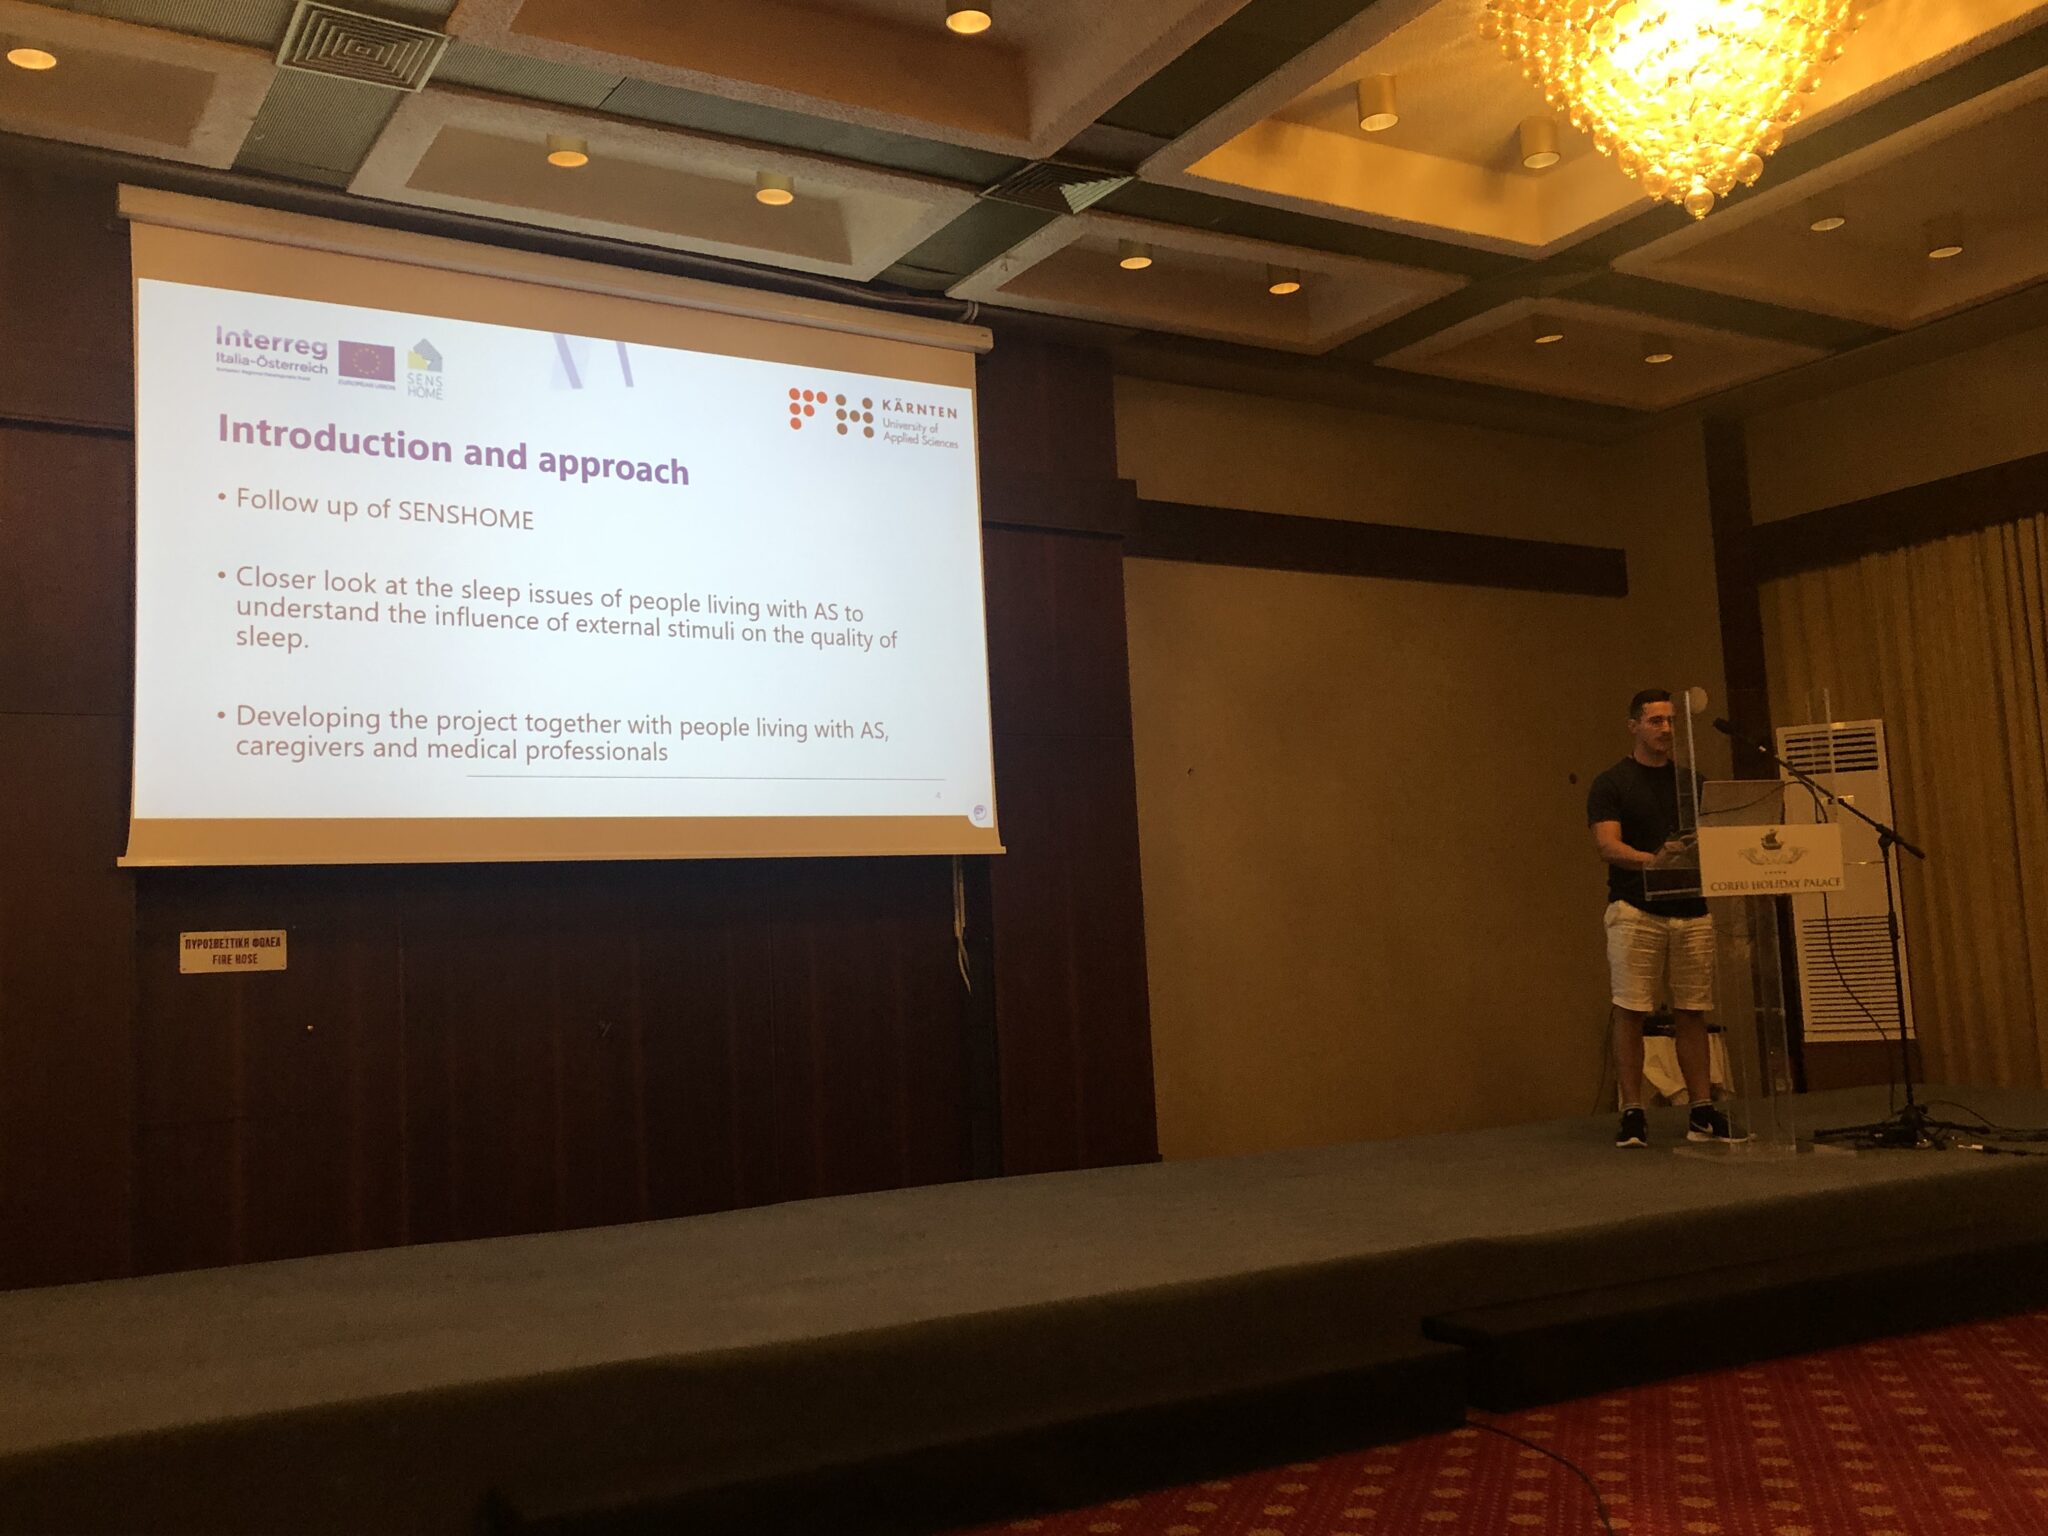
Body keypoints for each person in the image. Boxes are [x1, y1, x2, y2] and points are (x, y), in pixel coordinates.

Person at [1586, 688, 1734, 1148]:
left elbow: (1714, 837)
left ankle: (1702, 1110)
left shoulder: (1692, 782)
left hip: (1692, 908)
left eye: (1670, 721)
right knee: (1631, 1011)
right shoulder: (1612, 783)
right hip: (1636, 910)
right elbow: (1607, 845)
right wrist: (1655, 860)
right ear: (1633, 726)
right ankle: (1633, 1112)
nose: (1666, 729)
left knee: (1693, 1010)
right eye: (1655, 721)